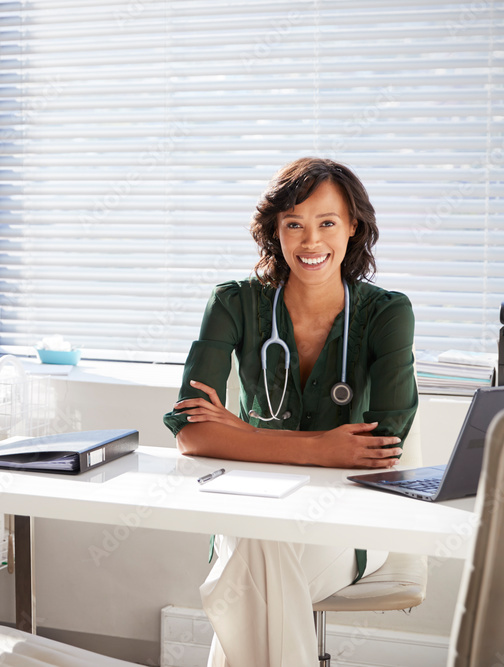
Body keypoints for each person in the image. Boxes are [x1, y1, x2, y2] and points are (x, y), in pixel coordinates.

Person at [162, 157, 418, 667]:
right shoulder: (234, 303)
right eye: (294, 224)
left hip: (347, 524)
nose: (310, 241)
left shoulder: (387, 313)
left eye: (327, 223)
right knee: (262, 539)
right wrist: (322, 447)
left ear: (353, 228)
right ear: (273, 231)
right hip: (248, 510)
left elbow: (379, 447)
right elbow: (192, 433)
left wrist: (243, 435)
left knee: (254, 563)